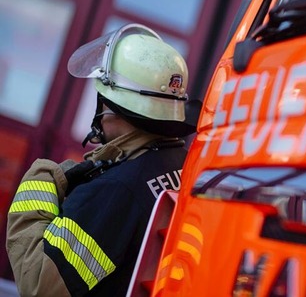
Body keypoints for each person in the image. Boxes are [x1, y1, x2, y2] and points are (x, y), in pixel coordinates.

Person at [6, 23, 201, 296]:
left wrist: (40, 177)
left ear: (115, 108)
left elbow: (39, 285)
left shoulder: (114, 191)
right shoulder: (183, 165)